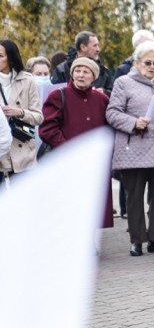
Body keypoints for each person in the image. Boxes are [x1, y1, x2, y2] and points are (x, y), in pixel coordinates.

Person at [105, 40, 154, 256]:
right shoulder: (123, 82)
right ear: (136, 62)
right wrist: (133, 123)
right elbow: (112, 113)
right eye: (148, 62)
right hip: (134, 147)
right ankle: (136, 241)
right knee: (135, 196)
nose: (152, 67)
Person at [39, 55, 114, 228]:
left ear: (93, 76)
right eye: (77, 71)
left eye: (86, 72)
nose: (80, 75)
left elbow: (110, 126)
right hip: (67, 161)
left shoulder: (102, 99)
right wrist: (66, 149)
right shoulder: (59, 95)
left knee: (93, 204)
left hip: (95, 161)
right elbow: (47, 128)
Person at [0, 39, 43, 181]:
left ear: (10, 58)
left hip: (21, 148)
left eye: (1, 56)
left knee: (23, 200)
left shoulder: (27, 80)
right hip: (1, 147)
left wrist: (20, 112)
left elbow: (39, 117)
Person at [52, 31, 113, 95]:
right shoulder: (62, 70)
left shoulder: (104, 71)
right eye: (95, 46)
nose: (98, 49)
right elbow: (56, 97)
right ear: (83, 47)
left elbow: (114, 96)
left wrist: (105, 92)